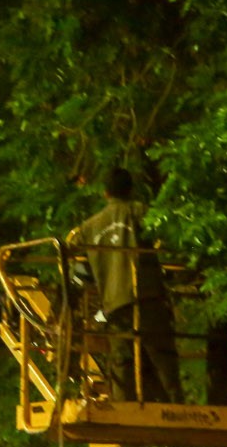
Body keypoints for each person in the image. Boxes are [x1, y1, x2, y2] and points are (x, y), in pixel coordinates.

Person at [68, 168, 182, 403]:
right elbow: (169, 234)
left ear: (105, 193)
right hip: (147, 297)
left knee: (122, 361)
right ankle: (177, 407)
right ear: (130, 190)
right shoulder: (139, 212)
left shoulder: (89, 227)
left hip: (115, 303)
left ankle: (123, 406)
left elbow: (71, 250)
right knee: (162, 357)